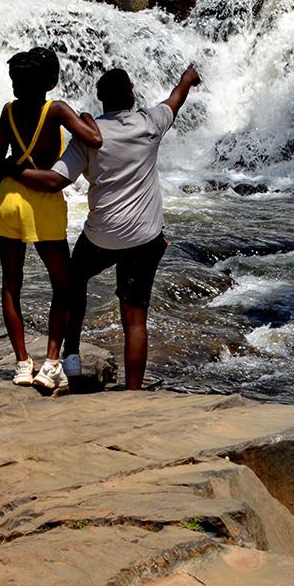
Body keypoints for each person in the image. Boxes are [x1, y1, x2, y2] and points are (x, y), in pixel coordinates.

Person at [62, 65, 200, 391]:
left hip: (101, 235)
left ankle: (70, 352)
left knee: (73, 281)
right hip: (144, 238)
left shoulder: (88, 133)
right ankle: (134, 394)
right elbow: (176, 99)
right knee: (135, 319)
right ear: (132, 92)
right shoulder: (150, 123)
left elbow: (61, 176)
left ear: (100, 99)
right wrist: (187, 79)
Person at [0, 46, 102, 394]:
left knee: (11, 283)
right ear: (50, 81)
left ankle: (21, 364)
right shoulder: (56, 110)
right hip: (43, 202)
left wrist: (5, 189)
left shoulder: (7, 111)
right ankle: (51, 363)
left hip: (7, 199)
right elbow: (94, 139)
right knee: (62, 284)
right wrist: (88, 117)